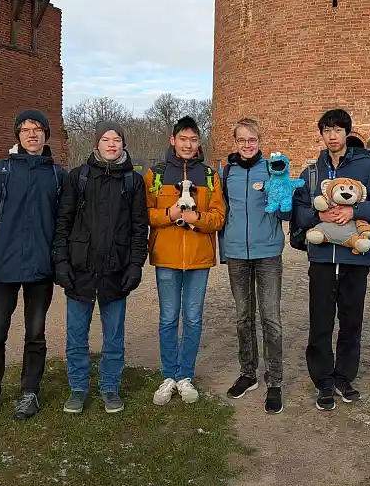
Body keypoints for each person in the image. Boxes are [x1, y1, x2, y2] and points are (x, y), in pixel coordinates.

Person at [293, 109, 370, 411]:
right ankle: (323, 380)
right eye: (327, 130)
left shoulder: (366, 166)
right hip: (323, 258)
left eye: (338, 130)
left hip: (355, 258)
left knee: (351, 321)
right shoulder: (312, 172)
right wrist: (318, 215)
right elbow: (297, 212)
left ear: (346, 134)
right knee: (321, 321)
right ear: (322, 134)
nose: (332, 135)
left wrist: (355, 212)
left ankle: (344, 377)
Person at [0, 109, 66, 423]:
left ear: (45, 135)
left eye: (37, 129)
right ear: (18, 135)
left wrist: (60, 262)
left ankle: (30, 392)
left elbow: (65, 223)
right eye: (25, 130)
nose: (32, 135)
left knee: (35, 334)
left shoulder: (57, 175)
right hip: (3, 268)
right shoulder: (0, 172)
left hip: (41, 268)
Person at [53, 122, 148, 415]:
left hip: (115, 269)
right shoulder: (77, 178)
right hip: (80, 268)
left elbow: (138, 228)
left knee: (114, 335)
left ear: (123, 144)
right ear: (96, 144)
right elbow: (63, 223)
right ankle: (78, 388)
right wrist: (61, 262)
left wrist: (135, 266)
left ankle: (109, 386)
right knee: (76, 335)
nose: (111, 144)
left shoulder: (133, 181)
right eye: (106, 139)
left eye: (116, 139)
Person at [144, 116, 226, 406]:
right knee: (168, 318)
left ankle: (185, 375)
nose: (188, 145)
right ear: (173, 140)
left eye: (193, 140)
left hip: (198, 258)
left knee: (192, 319)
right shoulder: (155, 174)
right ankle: (168, 375)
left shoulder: (209, 176)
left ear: (198, 143)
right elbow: (145, 214)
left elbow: (218, 217)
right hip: (166, 257)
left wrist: (196, 219)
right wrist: (170, 215)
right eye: (183, 139)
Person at [219, 118, 288, 414]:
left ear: (260, 141)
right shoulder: (226, 172)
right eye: (242, 140)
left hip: (268, 253)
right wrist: (224, 248)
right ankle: (248, 373)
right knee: (242, 317)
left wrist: (284, 197)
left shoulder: (273, 168)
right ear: (235, 142)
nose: (247, 145)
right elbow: (222, 212)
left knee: (271, 318)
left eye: (252, 140)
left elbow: (285, 209)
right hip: (236, 252)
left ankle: (275, 380)